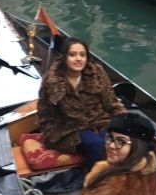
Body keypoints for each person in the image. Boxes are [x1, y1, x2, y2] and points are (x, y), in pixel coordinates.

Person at [36, 37, 124, 166]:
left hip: (100, 122)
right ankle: (94, 180)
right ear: (64, 57)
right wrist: (50, 133)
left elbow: (111, 103)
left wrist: (126, 122)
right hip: (68, 129)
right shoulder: (52, 80)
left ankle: (114, 175)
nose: (78, 59)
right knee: (95, 143)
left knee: (115, 140)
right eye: (72, 55)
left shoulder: (97, 72)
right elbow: (44, 113)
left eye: (82, 55)